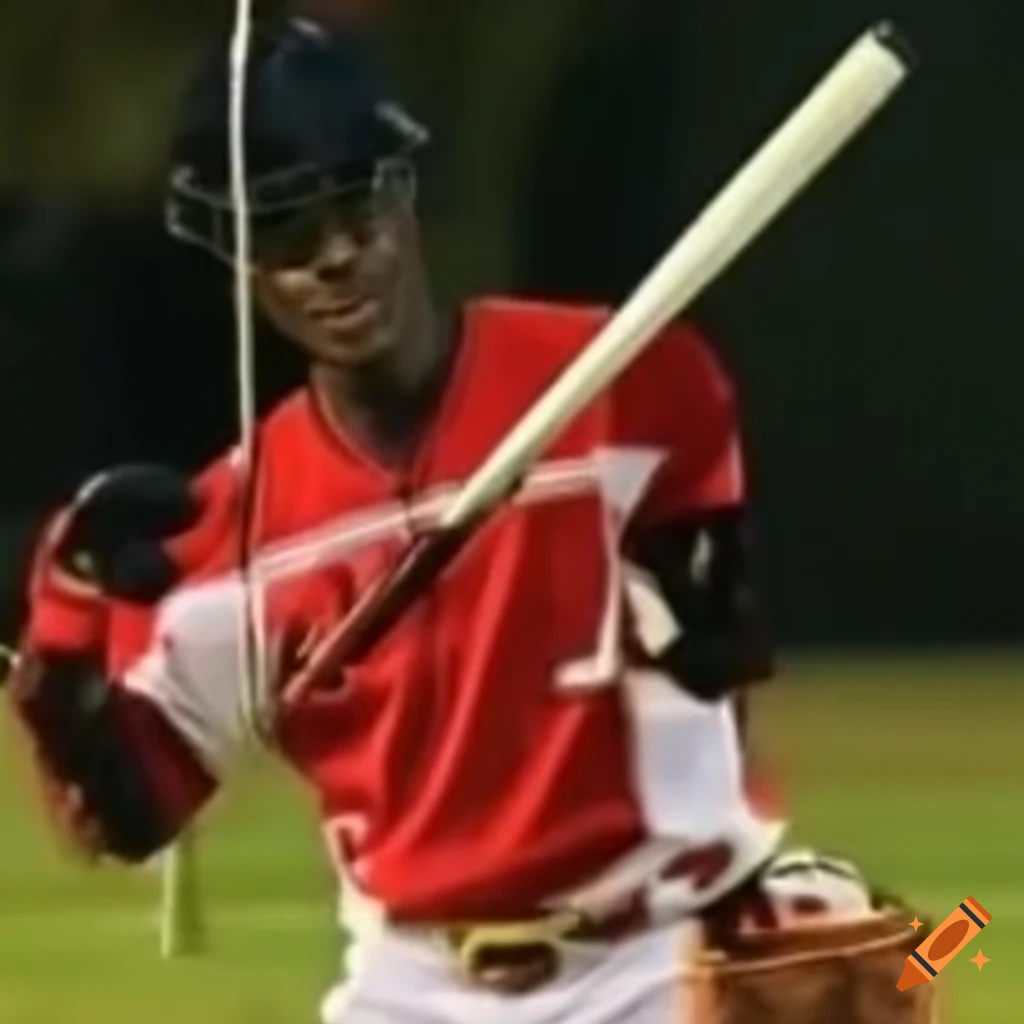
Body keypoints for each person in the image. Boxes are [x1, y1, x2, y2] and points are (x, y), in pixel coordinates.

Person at [5, 15, 931, 1024]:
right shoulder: (233, 533)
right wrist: (65, 621)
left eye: (358, 204)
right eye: (283, 228)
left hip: (654, 966)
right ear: (231, 253)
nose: (335, 255)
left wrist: (742, 894)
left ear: (405, 195)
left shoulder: (626, 389)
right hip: (409, 989)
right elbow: (122, 815)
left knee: (932, 949)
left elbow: (711, 661)